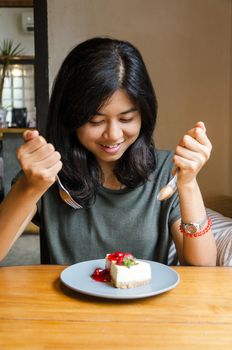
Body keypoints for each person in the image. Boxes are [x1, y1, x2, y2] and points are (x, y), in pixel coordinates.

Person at [0, 37, 217, 265]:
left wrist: (189, 184)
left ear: (145, 114)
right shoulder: (45, 173)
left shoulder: (166, 171)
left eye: (127, 118)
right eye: (96, 121)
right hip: (64, 301)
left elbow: (203, 271)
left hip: (145, 301)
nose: (113, 134)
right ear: (70, 116)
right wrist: (31, 187)